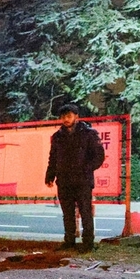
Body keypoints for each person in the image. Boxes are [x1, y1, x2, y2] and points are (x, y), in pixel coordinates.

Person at [44, 104, 106, 252]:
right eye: (63, 116)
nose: (66, 119)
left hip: (82, 180)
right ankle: (69, 241)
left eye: (69, 116)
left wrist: (87, 168)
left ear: (76, 116)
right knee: (68, 213)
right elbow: (53, 158)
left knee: (85, 212)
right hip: (64, 180)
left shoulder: (89, 134)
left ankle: (88, 243)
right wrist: (50, 175)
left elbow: (99, 156)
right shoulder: (57, 137)